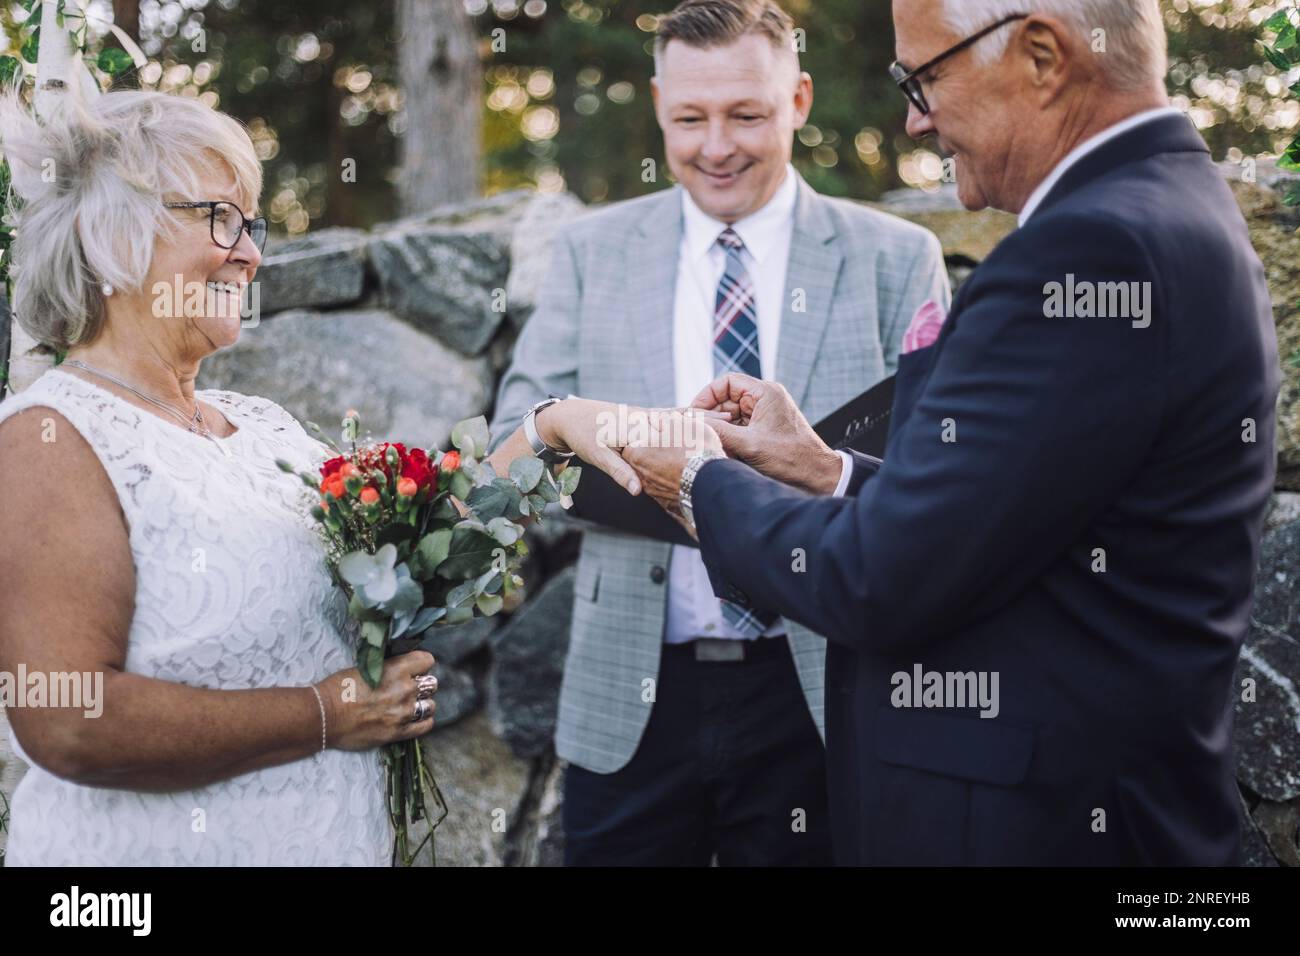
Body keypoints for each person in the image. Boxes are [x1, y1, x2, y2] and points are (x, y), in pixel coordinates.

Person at [622, 0, 1281, 865]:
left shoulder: (1091, 250)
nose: (915, 118)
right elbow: (1012, 507)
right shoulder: (1163, 207)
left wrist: (701, 480)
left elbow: (879, 576)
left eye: (924, 77)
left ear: (1043, 56)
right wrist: (826, 471)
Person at [0, 86, 639, 865]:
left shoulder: (257, 427)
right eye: (219, 219)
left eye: (251, 223)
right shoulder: (52, 436)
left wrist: (547, 431)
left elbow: (415, 564)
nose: (251, 253)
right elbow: (70, 719)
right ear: (111, 237)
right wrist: (322, 714)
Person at [488, 0, 949, 865]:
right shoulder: (592, 251)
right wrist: (592, 442)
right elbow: (508, 459)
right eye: (690, 119)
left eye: (747, 114)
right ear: (659, 104)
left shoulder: (898, 257)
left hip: (821, 682)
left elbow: (929, 483)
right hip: (633, 687)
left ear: (800, 99)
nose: (716, 146)